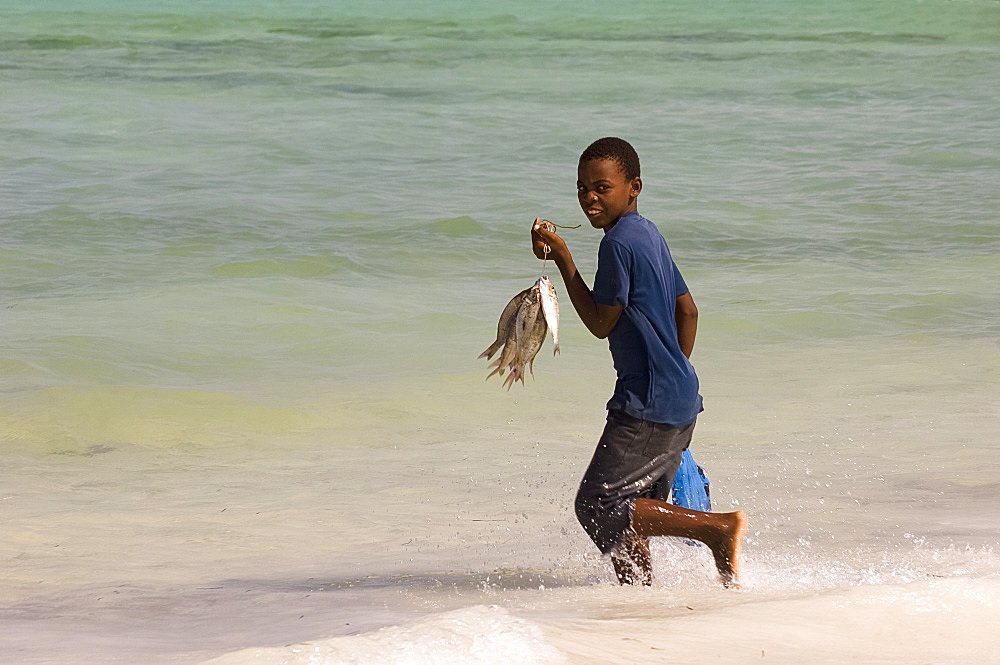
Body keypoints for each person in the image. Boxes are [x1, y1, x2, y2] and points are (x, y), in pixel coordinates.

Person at [530, 137, 747, 587]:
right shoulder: (649, 234)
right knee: (630, 514)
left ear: (634, 186)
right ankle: (640, 601)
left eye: (602, 187)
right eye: (581, 188)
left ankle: (718, 529)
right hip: (678, 396)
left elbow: (599, 323)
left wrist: (565, 258)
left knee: (597, 505)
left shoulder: (616, 246)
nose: (590, 197)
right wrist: (673, 373)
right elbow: (689, 311)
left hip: (646, 403)